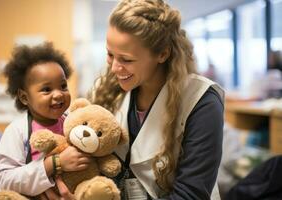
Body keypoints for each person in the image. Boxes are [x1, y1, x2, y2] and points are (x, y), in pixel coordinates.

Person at [87, 0, 224, 199]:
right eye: (110, 54)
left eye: (126, 59)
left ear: (162, 53)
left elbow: (190, 195)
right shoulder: (105, 90)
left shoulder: (201, 101)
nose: (114, 68)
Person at [0, 42, 90, 198]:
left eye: (63, 86)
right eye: (47, 89)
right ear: (24, 97)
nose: (59, 94)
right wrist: (54, 163)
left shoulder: (73, 124)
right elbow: (5, 179)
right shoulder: (17, 131)